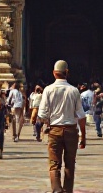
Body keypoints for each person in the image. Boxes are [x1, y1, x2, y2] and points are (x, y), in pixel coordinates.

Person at [37, 60, 87, 193]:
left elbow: (42, 114)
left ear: (54, 73)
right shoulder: (74, 90)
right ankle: (67, 190)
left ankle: (56, 189)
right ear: (67, 73)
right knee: (70, 164)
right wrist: (83, 136)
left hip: (54, 130)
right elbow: (81, 116)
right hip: (71, 130)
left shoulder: (48, 90)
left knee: (54, 164)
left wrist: (47, 124)